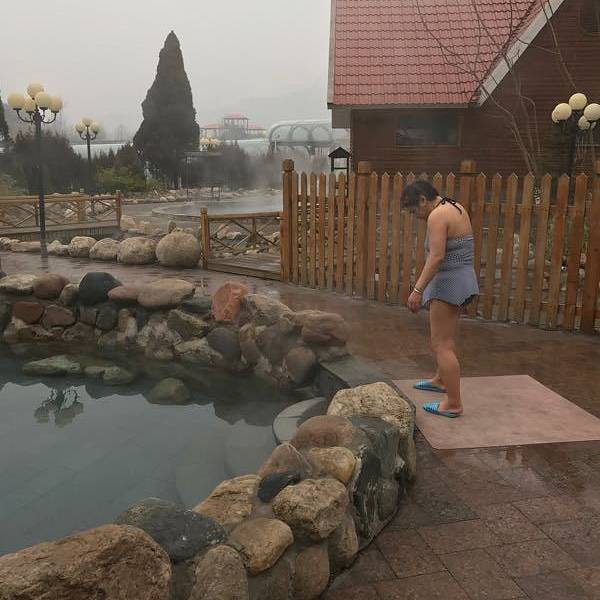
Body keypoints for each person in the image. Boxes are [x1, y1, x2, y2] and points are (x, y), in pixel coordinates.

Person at [402, 181, 479, 418]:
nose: (416, 217)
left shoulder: (437, 216)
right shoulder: (454, 206)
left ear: (423, 200)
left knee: (441, 345)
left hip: (449, 283)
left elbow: (436, 257)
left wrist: (417, 290)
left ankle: (453, 404)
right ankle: (440, 380)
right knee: (446, 338)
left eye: (414, 211)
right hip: (462, 278)